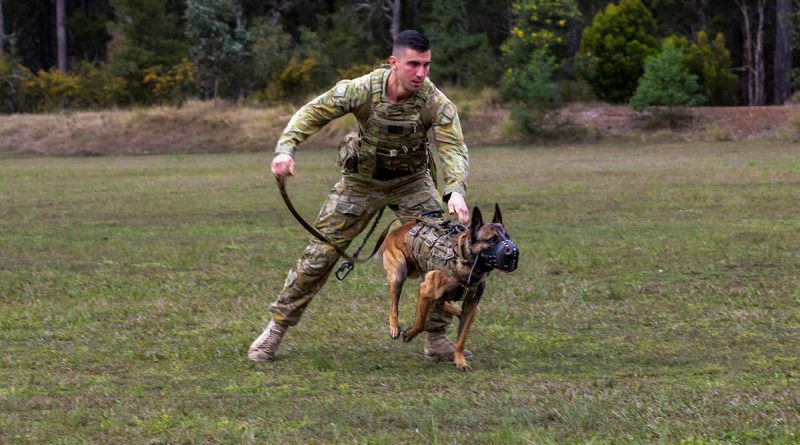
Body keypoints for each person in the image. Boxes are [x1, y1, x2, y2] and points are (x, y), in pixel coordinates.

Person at [248, 30, 471, 363]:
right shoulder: (362, 89)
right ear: (393, 62)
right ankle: (275, 329)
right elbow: (312, 112)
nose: (421, 73)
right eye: (413, 64)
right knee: (319, 255)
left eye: (426, 65)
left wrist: (455, 189)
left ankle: (436, 336)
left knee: (444, 253)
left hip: (412, 183)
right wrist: (285, 150)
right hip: (360, 185)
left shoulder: (435, 101)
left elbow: (453, 147)